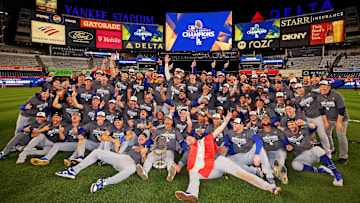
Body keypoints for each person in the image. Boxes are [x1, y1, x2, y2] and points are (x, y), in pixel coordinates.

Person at [174, 112, 281, 201]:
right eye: (187, 140)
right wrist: (178, 166)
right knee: (193, 173)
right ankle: (192, 193)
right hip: (210, 170)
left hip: (218, 161)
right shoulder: (189, 152)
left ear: (194, 138)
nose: (188, 140)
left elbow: (217, 131)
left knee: (241, 174)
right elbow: (183, 161)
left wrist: (226, 121)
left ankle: (270, 187)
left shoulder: (203, 141)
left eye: (190, 138)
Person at [55, 132, 149, 193]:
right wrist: (116, 150)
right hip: (121, 157)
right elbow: (120, 154)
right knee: (97, 152)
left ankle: (103, 183)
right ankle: (73, 171)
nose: (140, 138)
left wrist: (143, 155)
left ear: (146, 140)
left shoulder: (147, 149)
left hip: (131, 163)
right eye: (139, 136)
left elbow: (142, 163)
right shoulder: (132, 146)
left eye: (143, 137)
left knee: (132, 169)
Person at [283, 118, 343, 187]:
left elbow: (315, 127)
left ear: (296, 124)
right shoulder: (286, 133)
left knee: (318, 149)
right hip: (301, 157)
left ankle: (337, 174)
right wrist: (287, 145)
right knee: (294, 165)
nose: (291, 127)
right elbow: (284, 140)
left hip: (310, 153)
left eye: (292, 124)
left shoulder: (304, 130)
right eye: (289, 125)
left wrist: (305, 123)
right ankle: (320, 170)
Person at [317, 80, 349, 164]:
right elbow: (321, 111)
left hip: (341, 118)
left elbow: (342, 110)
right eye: (321, 86)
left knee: (341, 136)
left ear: (329, 87)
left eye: (325, 86)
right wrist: (326, 122)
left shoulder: (337, 95)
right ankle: (331, 149)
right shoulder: (319, 97)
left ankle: (344, 157)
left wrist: (339, 122)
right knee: (327, 133)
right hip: (329, 119)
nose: (323, 88)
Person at [257, 115, 290, 184]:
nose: (265, 119)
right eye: (263, 119)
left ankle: (279, 173)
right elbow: (259, 144)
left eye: (267, 118)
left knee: (281, 157)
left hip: (279, 150)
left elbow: (283, 140)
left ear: (270, 121)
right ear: (261, 122)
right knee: (271, 163)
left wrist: (287, 145)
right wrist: (263, 149)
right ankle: (278, 174)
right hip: (269, 152)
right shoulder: (260, 133)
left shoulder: (277, 130)